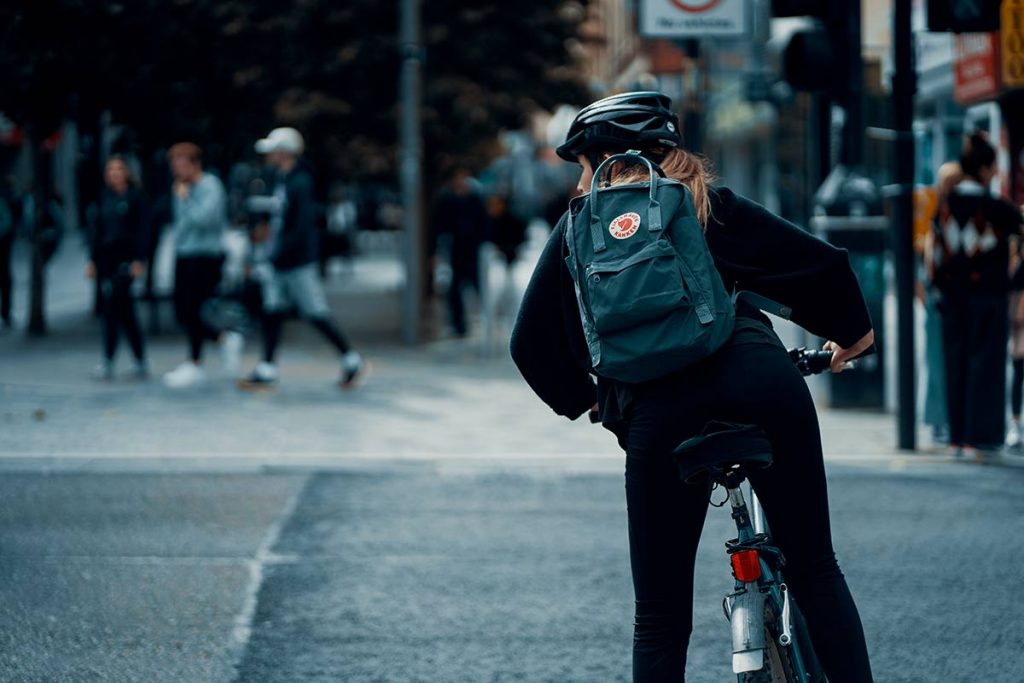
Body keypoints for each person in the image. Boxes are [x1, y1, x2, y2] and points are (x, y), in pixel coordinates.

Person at [510, 92, 875, 682]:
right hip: (764, 383)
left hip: (661, 413)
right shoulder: (708, 205)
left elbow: (529, 344)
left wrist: (597, 401)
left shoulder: (580, 228)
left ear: (598, 161)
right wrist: (851, 338)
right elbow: (822, 265)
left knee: (658, 615)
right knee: (815, 570)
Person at [239, 127, 366, 390]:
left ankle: (351, 359)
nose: (270, 156)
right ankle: (267, 367)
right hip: (279, 260)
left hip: (296, 261)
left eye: (274, 150)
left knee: (315, 312)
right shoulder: (280, 180)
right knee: (272, 311)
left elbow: (300, 227)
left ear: (284, 152)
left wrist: (278, 252)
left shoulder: (300, 182)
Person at [928, 132, 1024, 457]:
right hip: (988, 298)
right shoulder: (998, 209)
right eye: (994, 167)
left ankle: (956, 438)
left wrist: (943, 285)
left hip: (952, 301)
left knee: (954, 363)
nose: (996, 172)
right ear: (984, 170)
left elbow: (936, 258)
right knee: (985, 365)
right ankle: (978, 437)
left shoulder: (944, 208)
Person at [163, 142, 244, 388]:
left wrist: (186, 199)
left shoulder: (210, 186)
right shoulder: (180, 187)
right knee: (181, 310)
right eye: (174, 165)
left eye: (181, 164)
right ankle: (221, 340)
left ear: (195, 164)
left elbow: (204, 220)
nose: (177, 170)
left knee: (194, 308)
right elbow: (181, 224)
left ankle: (198, 360)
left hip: (206, 255)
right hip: (185, 252)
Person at [86, 156, 149, 379]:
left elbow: (142, 230)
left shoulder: (134, 198)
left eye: (119, 169)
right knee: (121, 310)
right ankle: (131, 359)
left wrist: (139, 260)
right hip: (107, 260)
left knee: (116, 308)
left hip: (126, 260)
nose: (114, 173)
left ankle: (114, 359)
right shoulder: (104, 198)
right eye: (110, 169)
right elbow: (96, 232)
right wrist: (92, 260)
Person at [430, 167, 490, 337]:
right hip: (455, 251)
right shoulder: (446, 201)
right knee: (454, 290)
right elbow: (438, 227)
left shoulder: (475, 199)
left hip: (473, 251)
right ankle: (459, 325)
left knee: (479, 286)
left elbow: (484, 224)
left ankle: (488, 320)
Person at [0, 177, 15, 330]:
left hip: (3, 246)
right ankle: (6, 312)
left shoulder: (4, 200)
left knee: (5, 278)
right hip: (4, 244)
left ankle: (6, 312)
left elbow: (6, 224)